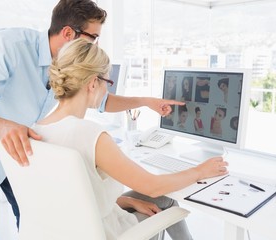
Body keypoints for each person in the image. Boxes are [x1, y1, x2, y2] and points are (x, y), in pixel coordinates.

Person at [0, 1, 183, 239]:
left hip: (23, 155)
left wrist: (146, 101)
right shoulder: (9, 46)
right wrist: (3, 127)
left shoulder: (69, 69)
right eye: (93, 37)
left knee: (40, 222)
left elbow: (102, 101)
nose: (95, 45)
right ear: (68, 33)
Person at [32, 38, 228, 240]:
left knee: (160, 199)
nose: (107, 91)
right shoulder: (90, 134)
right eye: (107, 82)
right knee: (164, 200)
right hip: (106, 233)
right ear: (92, 83)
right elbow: (153, 186)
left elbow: (73, 199)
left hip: (71, 229)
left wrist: (127, 202)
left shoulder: (36, 131)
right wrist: (200, 171)